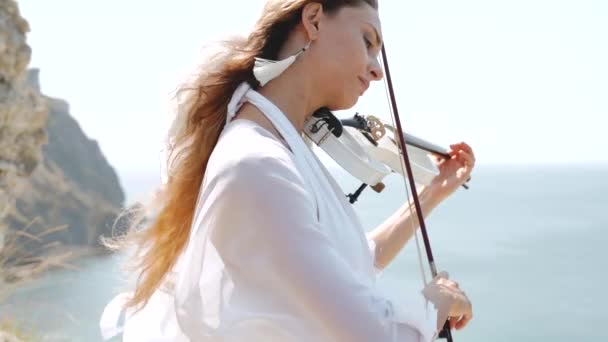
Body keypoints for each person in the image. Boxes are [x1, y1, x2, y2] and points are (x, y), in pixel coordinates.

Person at [100, 1, 476, 341]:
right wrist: (436, 302)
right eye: (367, 40)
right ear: (313, 19)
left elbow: (353, 259)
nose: (377, 70)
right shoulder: (257, 163)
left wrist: (433, 192)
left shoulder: (278, 150)